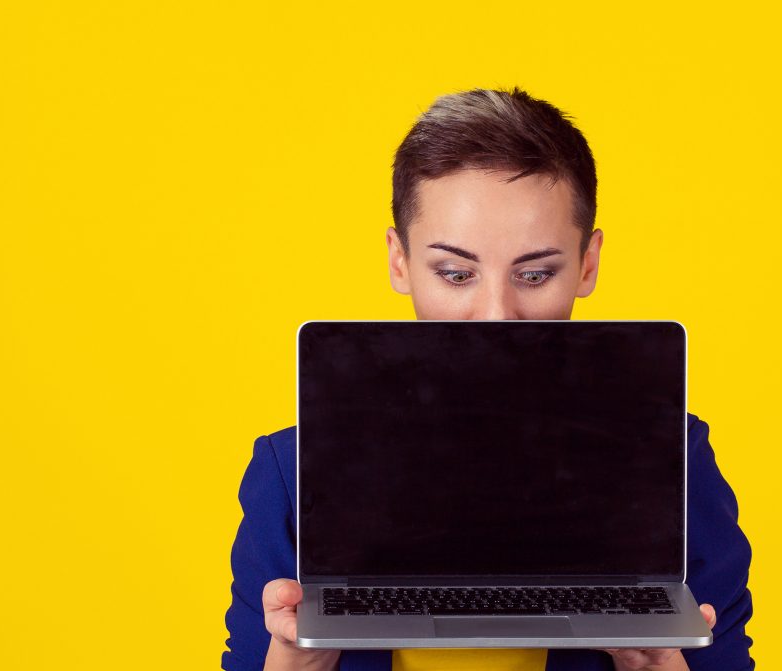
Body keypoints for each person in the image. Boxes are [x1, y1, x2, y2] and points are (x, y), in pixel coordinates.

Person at [222, 87, 754, 671]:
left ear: (588, 264)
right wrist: (297, 665)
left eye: (534, 273)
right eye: (455, 273)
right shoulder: (290, 474)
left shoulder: (675, 466)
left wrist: (654, 667)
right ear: (400, 262)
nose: (496, 316)